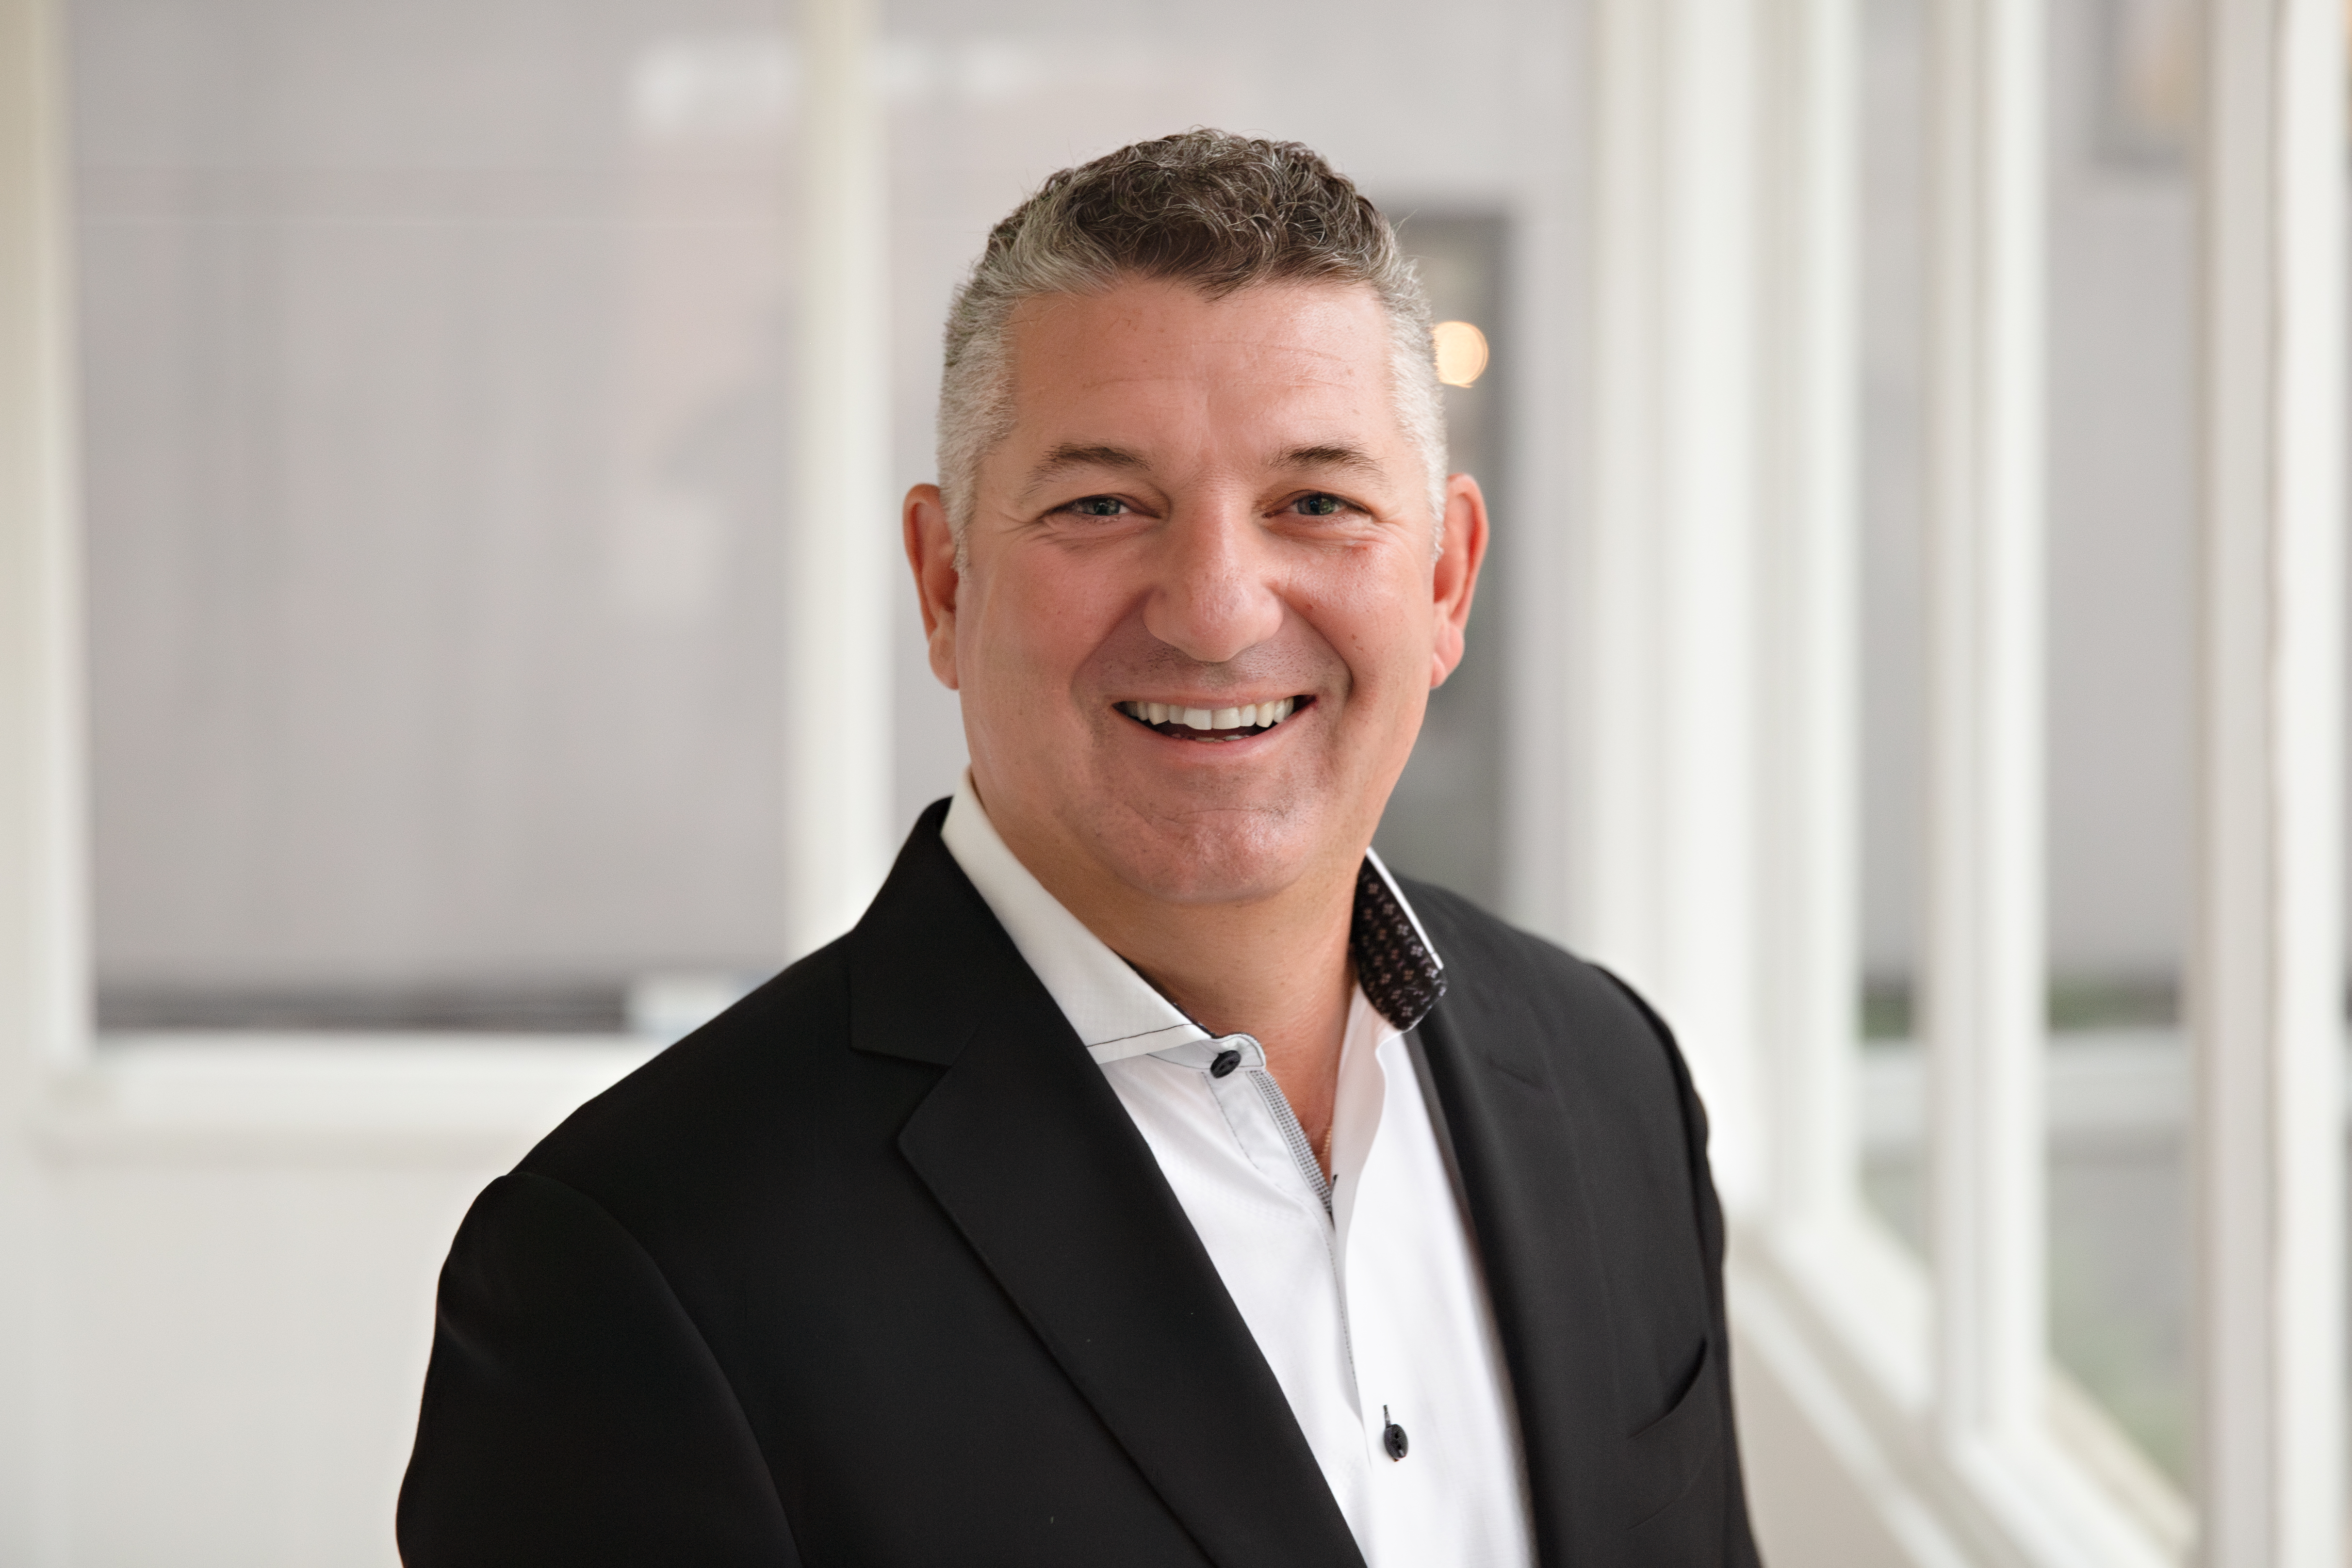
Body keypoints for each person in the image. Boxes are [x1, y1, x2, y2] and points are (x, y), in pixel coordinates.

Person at [396, 129, 1759, 1568]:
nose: (1220, 609)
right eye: (1104, 505)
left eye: (1317, 502)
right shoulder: (637, 1271)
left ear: (1442, 579)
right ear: (943, 582)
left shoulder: (1615, 1083)